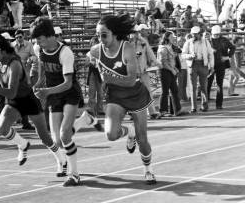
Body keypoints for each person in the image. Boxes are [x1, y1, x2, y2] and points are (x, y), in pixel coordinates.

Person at [0, 34, 66, 175]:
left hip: (27, 100)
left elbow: (11, 92)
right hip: (14, 102)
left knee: (44, 137)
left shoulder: (15, 64)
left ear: (3, 50)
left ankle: (61, 159)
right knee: (2, 128)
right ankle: (22, 144)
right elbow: (5, 88)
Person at [89, 14, 156, 184]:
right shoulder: (96, 51)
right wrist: (98, 93)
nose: (100, 38)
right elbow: (96, 74)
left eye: (104, 34)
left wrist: (109, 80)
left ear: (115, 34)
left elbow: (131, 80)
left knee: (143, 140)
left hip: (135, 94)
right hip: (116, 96)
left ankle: (148, 170)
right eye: (98, 35)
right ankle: (129, 131)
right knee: (111, 134)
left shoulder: (127, 49)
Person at [30, 17, 83, 187]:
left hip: (69, 93)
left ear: (50, 36)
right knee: (57, 140)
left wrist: (46, 92)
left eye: (40, 38)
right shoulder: (39, 49)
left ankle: (74, 174)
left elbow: (67, 83)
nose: (37, 42)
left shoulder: (65, 52)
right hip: (53, 94)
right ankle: (84, 120)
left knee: (65, 134)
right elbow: (43, 69)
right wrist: (39, 84)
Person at [182, 26, 214, 113]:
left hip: (203, 64)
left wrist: (211, 66)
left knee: (203, 86)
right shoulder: (188, 42)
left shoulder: (206, 42)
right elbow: (183, 54)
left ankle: (204, 106)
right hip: (192, 65)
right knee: (193, 87)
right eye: (193, 34)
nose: (194, 36)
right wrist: (190, 56)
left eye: (196, 34)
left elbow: (210, 54)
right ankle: (193, 107)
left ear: (200, 34)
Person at [11, 29, 38, 130]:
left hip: (25, 73)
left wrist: (31, 59)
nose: (18, 39)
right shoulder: (11, 46)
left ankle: (25, 121)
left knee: (25, 96)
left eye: (20, 37)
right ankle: (22, 121)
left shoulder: (29, 45)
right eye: (17, 37)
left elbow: (33, 56)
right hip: (14, 73)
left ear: (24, 37)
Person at [207, 25, 236, 109]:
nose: (216, 36)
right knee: (208, 84)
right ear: (212, 33)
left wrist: (227, 57)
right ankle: (205, 104)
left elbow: (233, 47)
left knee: (219, 85)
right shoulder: (207, 40)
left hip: (221, 65)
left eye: (218, 34)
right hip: (210, 65)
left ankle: (219, 105)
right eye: (215, 34)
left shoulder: (224, 40)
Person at [157, 31, 185, 116]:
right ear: (167, 38)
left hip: (171, 71)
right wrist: (172, 69)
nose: (173, 38)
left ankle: (177, 110)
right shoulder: (163, 48)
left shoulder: (170, 47)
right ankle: (163, 111)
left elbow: (171, 61)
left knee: (175, 91)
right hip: (165, 71)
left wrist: (175, 68)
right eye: (172, 36)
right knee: (165, 92)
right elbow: (163, 62)